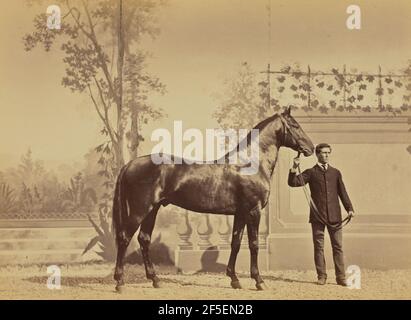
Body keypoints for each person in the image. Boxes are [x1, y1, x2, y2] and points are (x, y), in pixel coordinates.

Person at [288, 143, 354, 286]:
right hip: (318, 216)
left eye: (328, 153)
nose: (326, 155)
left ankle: (341, 277)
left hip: (335, 216)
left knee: (338, 247)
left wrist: (349, 208)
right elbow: (293, 183)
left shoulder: (335, 172)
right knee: (319, 247)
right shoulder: (311, 172)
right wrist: (294, 167)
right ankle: (322, 276)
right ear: (317, 154)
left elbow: (342, 192)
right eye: (323, 153)